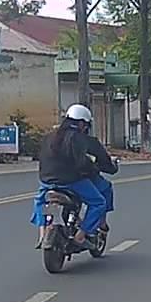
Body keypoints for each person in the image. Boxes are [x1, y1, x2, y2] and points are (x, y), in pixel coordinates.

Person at [30, 104, 109, 250]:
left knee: (39, 201)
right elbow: (82, 163)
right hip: (71, 182)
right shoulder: (80, 139)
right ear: (82, 124)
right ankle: (81, 235)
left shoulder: (49, 136)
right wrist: (93, 168)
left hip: (47, 181)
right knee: (99, 203)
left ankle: (42, 232)